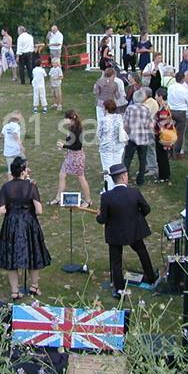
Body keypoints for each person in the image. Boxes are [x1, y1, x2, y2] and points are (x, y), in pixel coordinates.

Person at [0, 157, 50, 300]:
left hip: (11, 224)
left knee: (12, 257)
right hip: (29, 223)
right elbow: (39, 210)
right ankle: (34, 286)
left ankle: (15, 291)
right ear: (23, 172)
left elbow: (1, 210)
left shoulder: (6, 187)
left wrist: (13, 208)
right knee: (33, 254)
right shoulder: (31, 187)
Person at [96, 164, 158, 299]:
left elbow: (103, 219)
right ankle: (151, 277)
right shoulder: (134, 192)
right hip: (134, 231)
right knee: (142, 251)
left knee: (116, 261)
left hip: (115, 233)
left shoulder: (107, 197)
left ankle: (119, 289)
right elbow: (146, 209)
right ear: (124, 177)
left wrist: (98, 215)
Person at [50, 109, 92, 207]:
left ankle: (88, 200)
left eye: (65, 118)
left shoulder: (77, 130)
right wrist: (65, 142)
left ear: (70, 119)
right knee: (62, 174)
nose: (64, 120)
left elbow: (77, 146)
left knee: (80, 177)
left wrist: (64, 146)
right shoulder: (72, 127)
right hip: (71, 155)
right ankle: (58, 198)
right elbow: (70, 139)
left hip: (77, 157)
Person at [122, 90, 154, 186]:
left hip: (132, 137)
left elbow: (125, 124)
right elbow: (150, 124)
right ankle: (140, 180)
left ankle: (124, 179)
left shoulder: (129, 108)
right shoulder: (146, 109)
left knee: (127, 159)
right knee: (142, 160)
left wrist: (127, 132)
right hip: (143, 138)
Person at [166, 72, 188, 158]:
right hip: (181, 112)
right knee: (180, 134)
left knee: (171, 131)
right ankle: (176, 152)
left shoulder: (170, 87)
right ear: (183, 79)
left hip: (171, 110)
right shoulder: (184, 89)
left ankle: (169, 151)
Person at [153, 88, 173, 184]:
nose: (155, 97)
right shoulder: (163, 107)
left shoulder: (163, 109)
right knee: (162, 155)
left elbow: (162, 123)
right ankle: (165, 174)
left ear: (161, 97)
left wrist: (153, 125)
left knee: (161, 156)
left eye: (156, 95)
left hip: (162, 135)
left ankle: (163, 176)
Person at [1, 111, 24, 180]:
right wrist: (21, 145)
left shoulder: (6, 126)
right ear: (19, 119)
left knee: (9, 169)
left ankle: (10, 184)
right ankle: (20, 178)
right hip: (16, 150)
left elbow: (2, 135)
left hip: (8, 151)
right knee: (22, 163)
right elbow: (15, 134)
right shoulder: (17, 126)